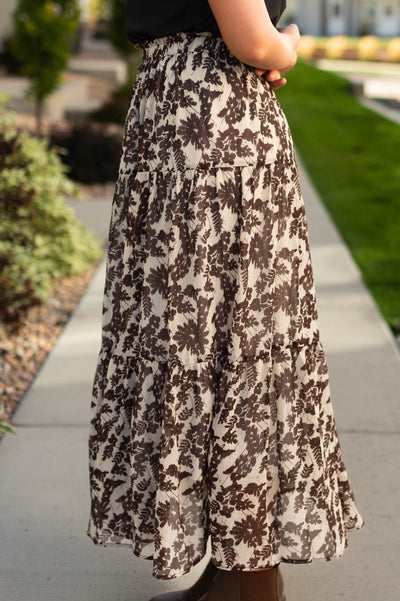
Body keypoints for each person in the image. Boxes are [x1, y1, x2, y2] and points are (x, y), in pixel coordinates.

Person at [86, 2, 364, 600]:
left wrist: (270, 45)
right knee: (222, 335)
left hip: (196, 126)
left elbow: (249, 43)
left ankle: (251, 576)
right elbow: (258, 45)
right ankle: (237, 563)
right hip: (205, 127)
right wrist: (286, 41)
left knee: (218, 337)